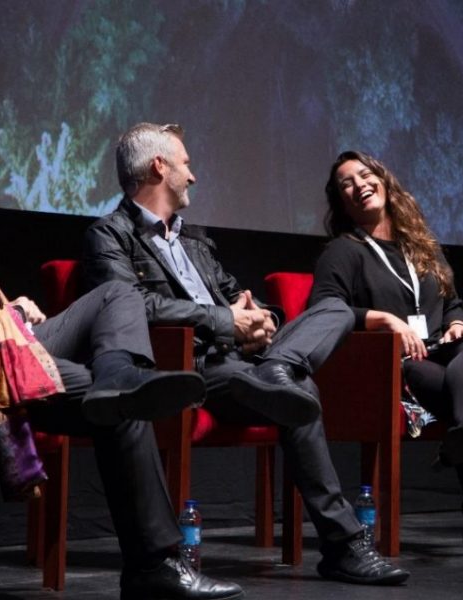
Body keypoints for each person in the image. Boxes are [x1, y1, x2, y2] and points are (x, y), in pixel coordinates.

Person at [0, 90, 244, 600]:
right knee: (118, 407)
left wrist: (11, 309)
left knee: (117, 295)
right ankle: (153, 568)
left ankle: (121, 374)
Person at [82, 123, 410, 586]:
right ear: (159, 166)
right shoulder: (110, 235)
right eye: (186, 164)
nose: (192, 176)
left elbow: (239, 295)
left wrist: (262, 320)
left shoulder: (193, 240)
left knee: (334, 310)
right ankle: (343, 545)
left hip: (241, 358)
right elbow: (132, 303)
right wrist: (224, 320)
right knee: (299, 389)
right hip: (189, 366)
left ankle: (280, 364)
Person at [310, 150, 463, 559]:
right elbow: (325, 309)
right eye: (346, 182)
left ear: (384, 181)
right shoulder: (343, 251)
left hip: (443, 352)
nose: (358, 184)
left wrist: (455, 323)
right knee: (448, 388)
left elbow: (450, 300)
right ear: (341, 201)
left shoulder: (421, 246)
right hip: (393, 366)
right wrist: (385, 320)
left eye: (365, 175)